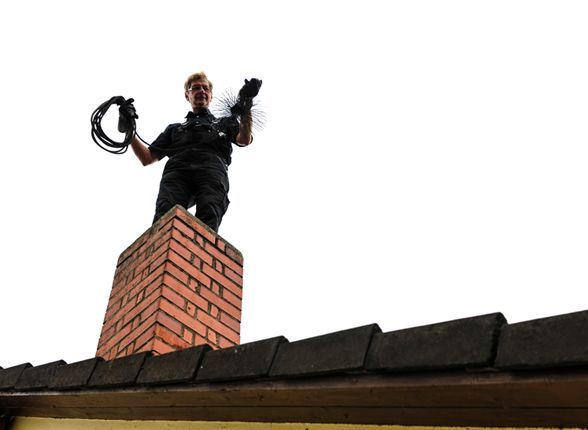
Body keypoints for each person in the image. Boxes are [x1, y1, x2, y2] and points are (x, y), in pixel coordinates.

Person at [127, 72, 261, 231]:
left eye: (205, 88)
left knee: (209, 213)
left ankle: (202, 252)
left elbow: (244, 139)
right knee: (165, 217)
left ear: (211, 96)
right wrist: (129, 129)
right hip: (177, 171)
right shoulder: (175, 129)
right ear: (187, 95)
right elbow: (147, 158)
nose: (202, 91)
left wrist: (246, 103)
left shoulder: (224, 123)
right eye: (196, 88)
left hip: (211, 169)